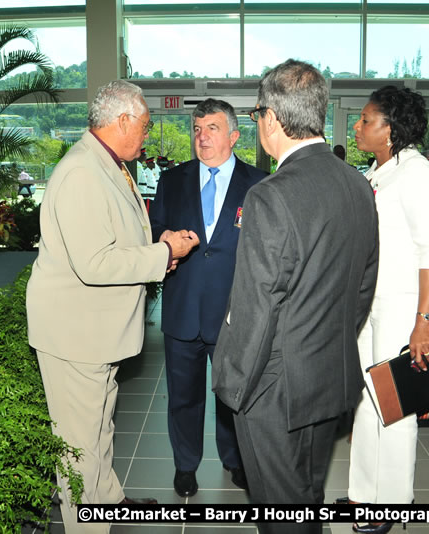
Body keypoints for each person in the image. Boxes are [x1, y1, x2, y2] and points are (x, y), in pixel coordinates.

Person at [26, 80, 200, 534]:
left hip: (94, 331)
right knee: (78, 445)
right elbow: (94, 262)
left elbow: (111, 237)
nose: (147, 134)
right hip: (75, 333)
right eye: (144, 125)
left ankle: (108, 501)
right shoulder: (84, 171)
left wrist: (155, 244)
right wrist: (165, 255)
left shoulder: (108, 163)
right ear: (122, 120)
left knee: (99, 428)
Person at [212, 59, 379, 533]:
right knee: (306, 494)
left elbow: (255, 306)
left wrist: (234, 386)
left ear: (271, 119)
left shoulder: (271, 196)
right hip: (329, 373)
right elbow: (363, 284)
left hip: (274, 388)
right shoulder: (357, 185)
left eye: (256, 115)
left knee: (281, 509)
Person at [345, 85, 429, 534]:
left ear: (390, 129)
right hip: (372, 304)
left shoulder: (418, 174)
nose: (358, 126)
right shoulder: (379, 169)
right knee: (369, 404)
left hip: (403, 305)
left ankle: (392, 505)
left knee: (396, 407)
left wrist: (423, 324)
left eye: (366, 120)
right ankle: (363, 495)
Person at [150, 98, 267, 498]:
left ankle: (234, 460)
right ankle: (185, 465)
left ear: (234, 135)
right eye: (197, 129)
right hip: (182, 309)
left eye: (212, 128)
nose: (202, 137)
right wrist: (163, 238)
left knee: (231, 397)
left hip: (234, 313)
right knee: (183, 397)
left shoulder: (259, 183)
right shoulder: (173, 180)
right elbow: (155, 230)